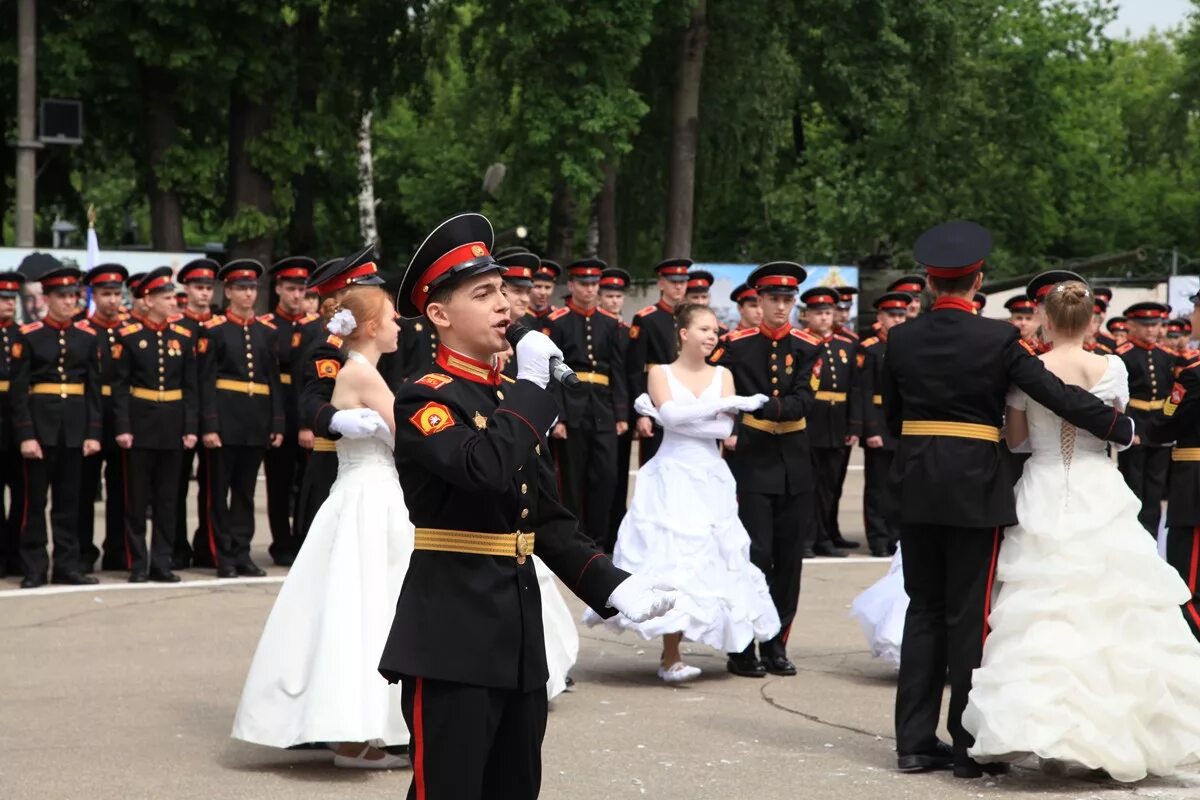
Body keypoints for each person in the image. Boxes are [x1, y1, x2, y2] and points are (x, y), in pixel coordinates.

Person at [379, 212, 675, 800]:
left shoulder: (509, 398)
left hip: (516, 636)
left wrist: (611, 585)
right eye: (483, 294)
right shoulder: (424, 397)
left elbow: (542, 518)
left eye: (505, 293)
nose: (505, 306)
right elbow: (482, 470)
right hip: (452, 635)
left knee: (516, 787)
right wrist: (532, 395)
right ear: (439, 315)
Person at [884, 221, 1134, 779]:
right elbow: (1054, 393)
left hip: (918, 481)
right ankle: (964, 745)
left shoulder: (900, 338)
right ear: (979, 282)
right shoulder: (997, 340)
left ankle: (911, 742)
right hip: (974, 485)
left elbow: (890, 417)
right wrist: (1117, 426)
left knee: (922, 609)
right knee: (967, 615)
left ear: (927, 281)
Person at [962, 281, 1200, 781]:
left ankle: (1044, 731)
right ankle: (1116, 733)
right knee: (1110, 607)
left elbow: (1016, 439)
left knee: (1044, 606)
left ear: (1046, 321)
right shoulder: (1111, 366)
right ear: (1093, 321)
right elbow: (1115, 434)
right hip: (1099, 487)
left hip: (1044, 484)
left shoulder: (1029, 370)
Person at [233, 272, 412, 769]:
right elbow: (410, 440)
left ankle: (365, 730)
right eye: (393, 318)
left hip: (364, 492)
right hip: (369, 496)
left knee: (354, 609)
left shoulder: (361, 368)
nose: (401, 325)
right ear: (372, 326)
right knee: (365, 610)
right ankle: (355, 733)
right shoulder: (359, 371)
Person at [585, 303, 780, 682]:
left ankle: (718, 640)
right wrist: (719, 407)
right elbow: (673, 418)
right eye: (705, 329)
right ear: (684, 333)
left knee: (712, 558)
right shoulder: (661, 372)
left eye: (715, 331)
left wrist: (684, 415)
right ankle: (670, 655)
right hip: (671, 473)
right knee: (670, 557)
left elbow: (722, 432)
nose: (712, 336)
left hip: (708, 474)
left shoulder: (722, 373)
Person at [711, 261, 821, 678]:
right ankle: (742, 647)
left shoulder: (808, 346)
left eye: (787, 300)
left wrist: (755, 403)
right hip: (753, 462)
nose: (781, 307)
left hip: (795, 462)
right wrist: (735, 421)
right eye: (773, 299)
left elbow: (803, 403)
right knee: (753, 556)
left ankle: (777, 643)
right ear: (757, 301)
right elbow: (717, 387)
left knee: (789, 561)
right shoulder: (736, 345)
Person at [10, 267, 102, 588]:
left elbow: (93, 389)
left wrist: (92, 432)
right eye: (61, 297)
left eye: (72, 296)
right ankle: (34, 566)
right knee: (34, 503)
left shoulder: (87, 337)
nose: (68, 302)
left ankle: (67, 565)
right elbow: (19, 391)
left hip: (74, 429)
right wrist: (25, 435)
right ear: (47, 298)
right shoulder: (30, 335)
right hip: (40, 429)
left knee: (69, 501)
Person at [197, 260, 283, 578]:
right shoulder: (214, 331)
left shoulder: (266, 333)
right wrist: (210, 424)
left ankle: (242, 552)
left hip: (255, 421)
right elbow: (205, 381)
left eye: (252, 288)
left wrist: (276, 423)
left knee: (245, 493)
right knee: (219, 493)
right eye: (242, 288)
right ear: (229, 292)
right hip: (225, 420)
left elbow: (272, 381)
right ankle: (223, 556)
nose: (248, 294)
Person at [112, 267, 197, 583]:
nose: (173, 302)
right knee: (136, 500)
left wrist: (190, 427)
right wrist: (123, 426)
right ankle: (137, 563)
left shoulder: (183, 337)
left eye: (173, 297)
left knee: (167, 499)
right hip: (141, 424)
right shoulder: (129, 336)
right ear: (147, 300)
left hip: (172, 425)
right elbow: (120, 387)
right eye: (166, 297)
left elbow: (191, 388)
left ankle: (161, 562)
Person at [545, 258, 628, 550]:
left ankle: (599, 541)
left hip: (603, 408)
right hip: (572, 404)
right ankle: (574, 543)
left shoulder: (611, 324)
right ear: (571, 285)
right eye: (583, 283)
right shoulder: (558, 322)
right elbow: (553, 371)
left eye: (594, 284)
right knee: (572, 478)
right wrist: (560, 417)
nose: (589, 289)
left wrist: (621, 412)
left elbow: (617, 370)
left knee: (605, 477)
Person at [260, 257, 323, 566]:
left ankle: (303, 538)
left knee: (307, 483)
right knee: (279, 482)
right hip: (278, 407)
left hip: (306, 407)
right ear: (278, 289)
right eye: (291, 289)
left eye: (301, 289)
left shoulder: (316, 326)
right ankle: (281, 542)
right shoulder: (268, 325)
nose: (297, 296)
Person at [801, 286, 860, 557]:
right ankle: (808, 538)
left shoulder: (846, 344)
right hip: (811, 421)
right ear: (807, 316)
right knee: (809, 485)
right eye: (818, 313)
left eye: (828, 312)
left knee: (831, 485)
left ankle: (826, 535)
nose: (824, 318)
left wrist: (854, 425)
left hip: (838, 422)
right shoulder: (801, 342)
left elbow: (856, 388)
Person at [78, 264, 130, 572]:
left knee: (122, 488)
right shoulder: (83, 330)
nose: (112, 300)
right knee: (84, 488)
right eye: (105, 294)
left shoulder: (130, 329)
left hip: (123, 415)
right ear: (94, 296)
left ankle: (118, 549)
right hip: (89, 414)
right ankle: (84, 550)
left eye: (116, 293)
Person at [173, 258, 220, 569]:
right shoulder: (178, 327)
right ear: (186, 290)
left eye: (207, 288)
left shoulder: (219, 325)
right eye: (198, 288)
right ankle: (177, 546)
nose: (204, 294)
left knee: (212, 486)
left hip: (216, 415)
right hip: (182, 417)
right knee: (176, 487)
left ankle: (208, 546)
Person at [856, 292, 910, 556]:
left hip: (903, 425)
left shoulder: (909, 345)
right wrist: (871, 429)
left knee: (901, 486)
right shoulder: (870, 348)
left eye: (901, 315)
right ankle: (878, 538)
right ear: (880, 318)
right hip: (879, 422)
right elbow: (864, 392)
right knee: (878, 488)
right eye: (892, 315)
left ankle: (896, 535)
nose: (897, 320)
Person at [1115, 301, 1176, 536]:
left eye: (1155, 324)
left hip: (1159, 427)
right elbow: (1120, 396)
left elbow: (1173, 395)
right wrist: (1129, 428)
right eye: (1144, 325)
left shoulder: (1166, 356)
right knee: (1134, 485)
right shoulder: (1123, 356)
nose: (1150, 329)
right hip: (1136, 426)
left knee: (1155, 487)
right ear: (1131, 325)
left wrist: (1168, 425)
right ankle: (1132, 535)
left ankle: (1151, 535)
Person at [627, 258, 690, 466]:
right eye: (673, 281)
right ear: (661, 283)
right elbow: (635, 369)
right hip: (657, 401)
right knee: (654, 465)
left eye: (682, 281)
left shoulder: (692, 318)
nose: (679, 286)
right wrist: (642, 414)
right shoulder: (646, 319)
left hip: (688, 401)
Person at [599, 267, 633, 548]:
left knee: (615, 474)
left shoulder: (625, 330)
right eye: (608, 296)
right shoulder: (603, 326)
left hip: (615, 407)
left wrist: (624, 412)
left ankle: (612, 533)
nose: (613, 301)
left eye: (617, 296)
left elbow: (625, 373)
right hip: (590, 406)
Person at [0, 271, 27, 577]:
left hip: (17, 424)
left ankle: (18, 552)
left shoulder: (23, 335)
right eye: (3, 299)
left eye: (11, 299)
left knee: (22, 494)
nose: (9, 304)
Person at [528, 258, 561, 324]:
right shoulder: (518, 314)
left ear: (553, 288)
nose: (543, 292)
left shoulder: (559, 317)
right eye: (538, 286)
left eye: (547, 287)